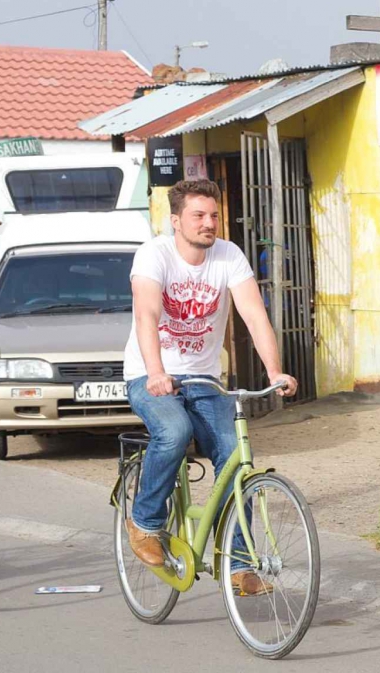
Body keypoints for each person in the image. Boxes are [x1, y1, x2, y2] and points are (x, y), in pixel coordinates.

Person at [123, 178, 298, 596]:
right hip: (151, 374)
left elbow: (254, 315)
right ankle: (145, 523)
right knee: (174, 432)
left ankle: (239, 565)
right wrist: (157, 371)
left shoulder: (229, 255)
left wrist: (275, 372)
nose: (209, 223)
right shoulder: (154, 254)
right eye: (198, 215)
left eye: (214, 215)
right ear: (176, 220)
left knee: (236, 459)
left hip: (205, 379)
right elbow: (147, 316)